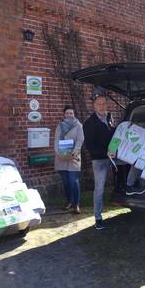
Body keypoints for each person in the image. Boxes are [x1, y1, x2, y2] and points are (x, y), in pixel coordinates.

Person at [83, 92, 114, 230]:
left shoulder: (109, 117)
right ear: (94, 106)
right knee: (99, 188)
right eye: (99, 104)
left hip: (114, 156)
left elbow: (113, 135)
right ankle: (98, 218)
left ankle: (131, 186)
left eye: (104, 103)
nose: (102, 106)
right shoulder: (89, 123)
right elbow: (90, 146)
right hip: (100, 159)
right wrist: (105, 153)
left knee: (134, 163)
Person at [54, 106, 84, 214]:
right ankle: (69, 202)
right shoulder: (59, 126)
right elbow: (56, 140)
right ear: (64, 115)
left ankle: (76, 204)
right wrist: (58, 153)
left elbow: (80, 140)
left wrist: (74, 152)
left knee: (74, 181)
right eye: (67, 113)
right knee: (66, 182)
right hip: (61, 158)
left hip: (73, 157)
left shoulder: (78, 126)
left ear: (74, 114)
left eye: (71, 113)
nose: (69, 115)